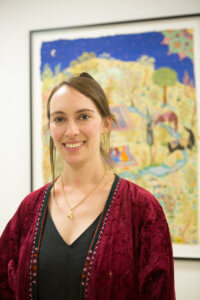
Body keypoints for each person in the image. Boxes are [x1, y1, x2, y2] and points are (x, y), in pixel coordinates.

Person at [0, 72, 176, 300]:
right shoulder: (30, 208)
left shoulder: (142, 209)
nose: (71, 131)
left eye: (83, 116)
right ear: (50, 127)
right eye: (59, 119)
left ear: (105, 124)